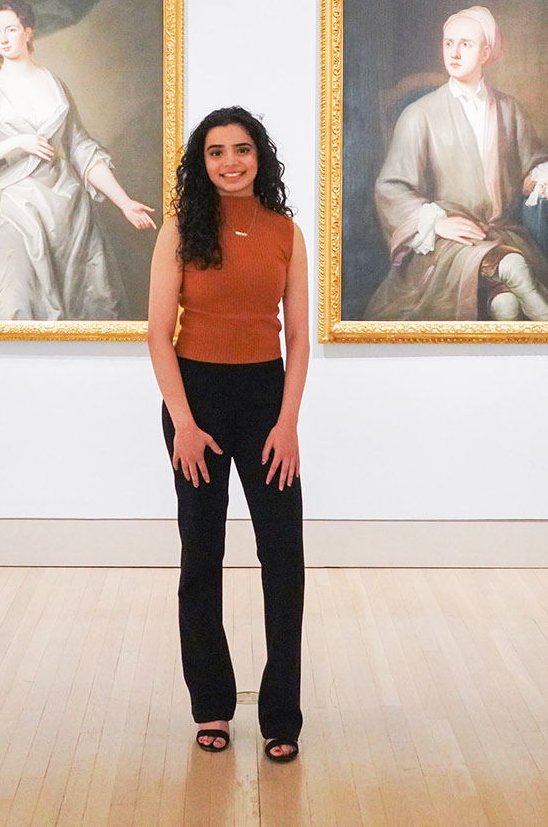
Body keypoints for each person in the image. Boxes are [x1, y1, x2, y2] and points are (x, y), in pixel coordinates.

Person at [147, 106, 309, 763]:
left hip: (267, 397)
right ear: (202, 162)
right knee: (201, 558)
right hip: (196, 401)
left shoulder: (285, 232)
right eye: (217, 152)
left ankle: (280, 717)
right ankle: (212, 706)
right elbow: (158, 333)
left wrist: (289, 423)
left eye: (241, 150)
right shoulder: (181, 229)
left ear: (258, 157)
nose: (231, 162)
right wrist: (183, 423)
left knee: (284, 562)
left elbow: (297, 337)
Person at [0, 0, 155, 320]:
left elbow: (80, 148)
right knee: (14, 298)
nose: (4, 39)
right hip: (11, 206)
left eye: (11, 29)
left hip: (67, 208)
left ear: (28, 31)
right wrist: (16, 142)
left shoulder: (55, 84)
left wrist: (124, 202)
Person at [365, 5, 548, 322]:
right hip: (447, 244)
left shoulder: (509, 109)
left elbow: (528, 166)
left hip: (501, 234)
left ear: (486, 52)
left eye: (465, 44)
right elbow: (392, 188)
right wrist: (436, 224)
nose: (454, 52)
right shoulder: (419, 115)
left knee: (507, 305)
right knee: (515, 267)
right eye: (448, 43)